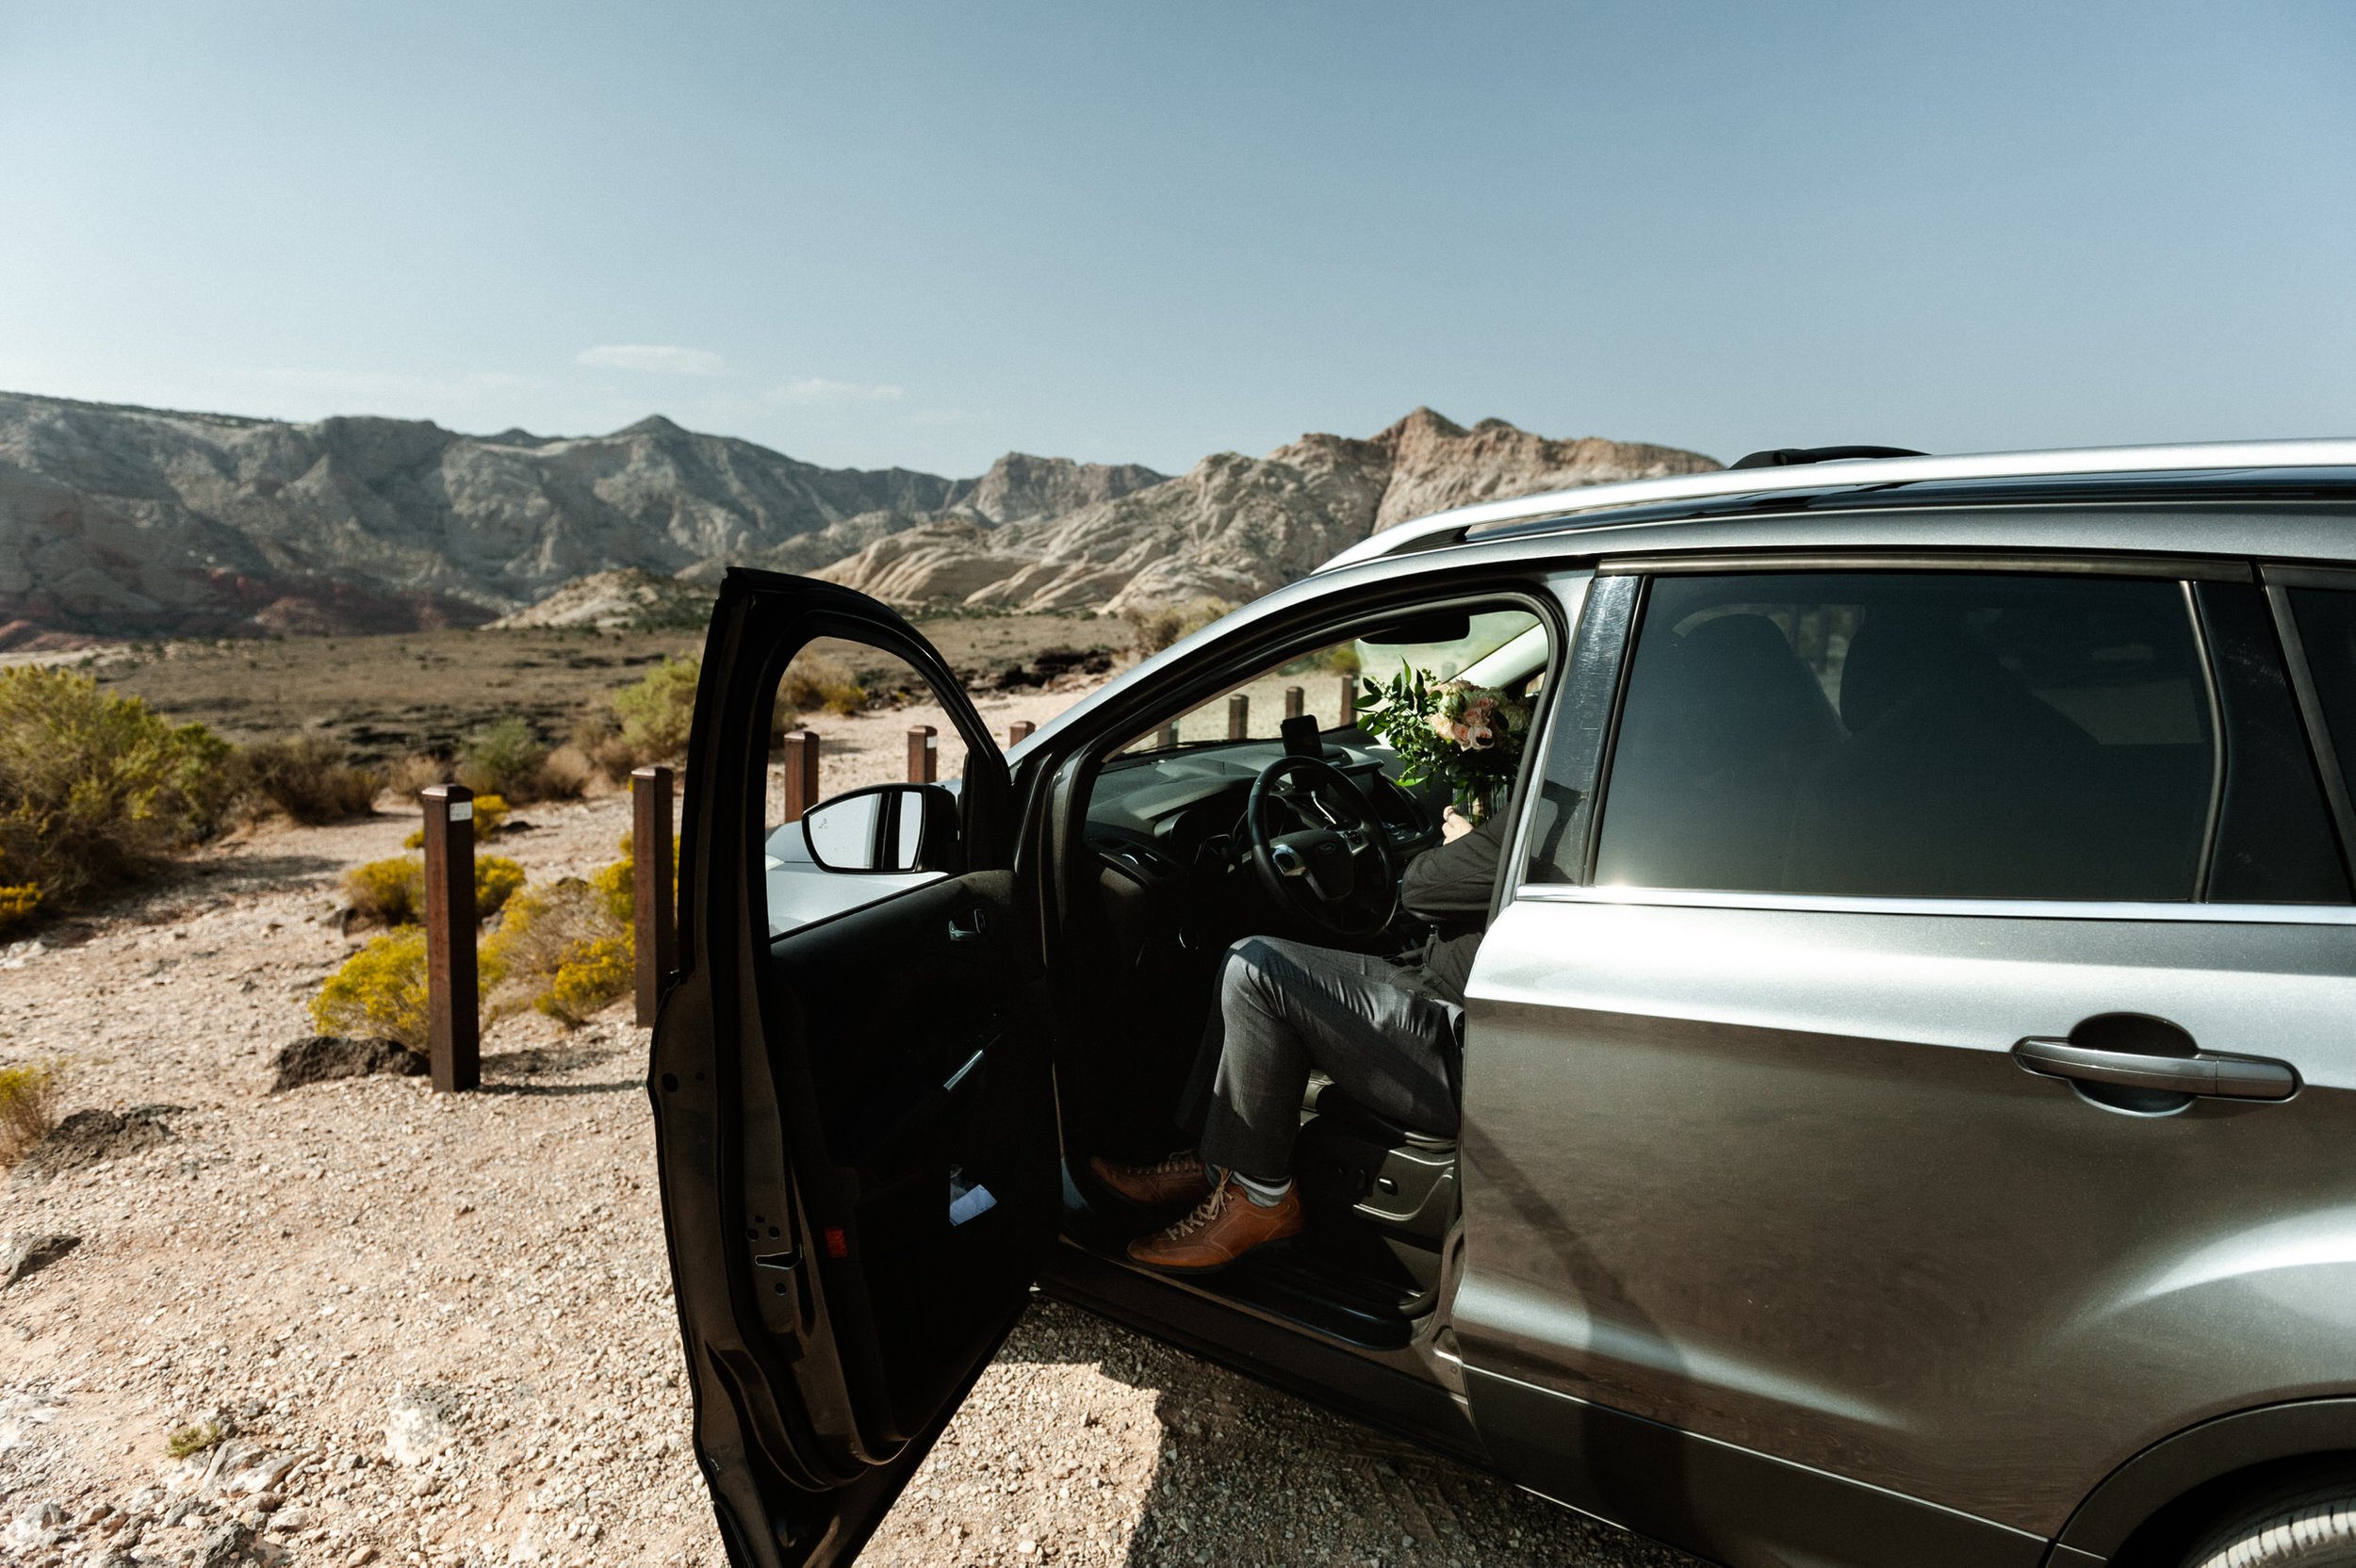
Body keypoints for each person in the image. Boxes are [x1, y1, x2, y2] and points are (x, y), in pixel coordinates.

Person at [1089, 802, 1509, 1273]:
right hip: (1436, 984)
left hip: (1466, 1043)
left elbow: (1424, 888)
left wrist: (1467, 843)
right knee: (1239, 960)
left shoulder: (1562, 807)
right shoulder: (1571, 782)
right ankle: (1217, 1164)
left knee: (1255, 968)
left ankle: (1262, 1200)